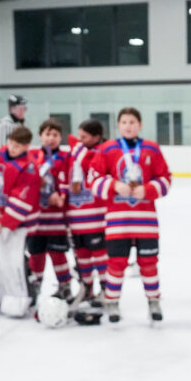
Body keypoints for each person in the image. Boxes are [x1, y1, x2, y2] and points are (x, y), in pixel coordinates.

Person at [88, 107, 171, 323]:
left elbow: (165, 179)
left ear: (140, 125)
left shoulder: (151, 149)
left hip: (146, 222)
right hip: (118, 222)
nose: (128, 125)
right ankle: (112, 302)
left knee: (149, 263)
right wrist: (114, 185)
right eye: (124, 122)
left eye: (132, 122)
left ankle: (153, 301)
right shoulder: (107, 149)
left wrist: (148, 189)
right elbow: (93, 179)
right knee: (116, 263)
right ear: (118, 125)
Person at [0, 125, 41, 317]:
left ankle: (20, 297)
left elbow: (22, 202)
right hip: (3, 216)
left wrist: (3, 223)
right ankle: (0, 292)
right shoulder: (2, 154)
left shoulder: (30, 167)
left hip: (21, 222)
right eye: (11, 144)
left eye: (17, 146)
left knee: (14, 260)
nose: (12, 148)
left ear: (27, 146)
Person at [28, 118, 73, 300]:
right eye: (47, 134)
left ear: (60, 137)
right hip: (36, 218)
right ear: (40, 136)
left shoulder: (66, 157)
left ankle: (65, 286)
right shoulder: (31, 155)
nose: (51, 138)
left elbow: (69, 180)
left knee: (58, 253)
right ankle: (34, 286)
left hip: (56, 218)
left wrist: (62, 194)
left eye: (55, 135)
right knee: (36, 254)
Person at [67, 118, 108, 309]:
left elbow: (89, 166)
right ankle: (87, 287)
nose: (80, 140)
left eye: (84, 137)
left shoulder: (100, 153)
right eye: (79, 136)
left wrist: (78, 149)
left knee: (100, 256)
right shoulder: (76, 153)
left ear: (96, 137)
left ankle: (106, 290)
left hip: (96, 218)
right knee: (81, 256)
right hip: (76, 219)